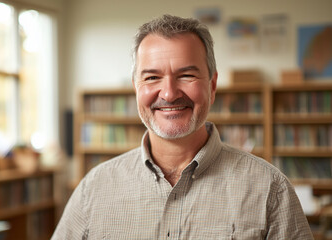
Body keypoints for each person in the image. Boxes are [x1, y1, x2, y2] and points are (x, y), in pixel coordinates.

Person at [52, 14, 313, 239]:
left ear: (212, 86)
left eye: (186, 75)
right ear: (136, 88)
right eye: (152, 77)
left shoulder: (270, 188)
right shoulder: (94, 188)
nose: (169, 93)